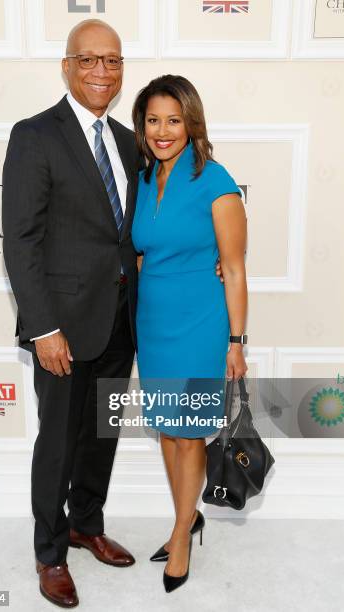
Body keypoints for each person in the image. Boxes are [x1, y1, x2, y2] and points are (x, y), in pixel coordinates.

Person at [2, 19, 142, 608]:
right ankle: (50, 553)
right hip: (60, 324)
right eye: (89, 60)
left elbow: (134, 233)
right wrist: (43, 328)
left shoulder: (132, 142)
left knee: (100, 436)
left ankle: (87, 524)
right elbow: (22, 240)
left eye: (112, 61)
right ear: (66, 66)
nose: (101, 72)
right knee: (57, 442)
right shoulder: (35, 135)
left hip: (120, 319)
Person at [131, 75, 248, 593]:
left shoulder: (216, 181)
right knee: (166, 427)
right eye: (153, 120)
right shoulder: (142, 178)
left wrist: (237, 342)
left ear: (192, 123)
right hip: (153, 325)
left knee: (190, 431)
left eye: (173, 120)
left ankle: (181, 531)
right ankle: (188, 517)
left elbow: (236, 268)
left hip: (201, 323)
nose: (162, 130)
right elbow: (139, 251)